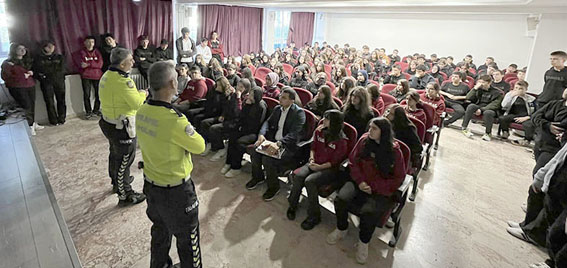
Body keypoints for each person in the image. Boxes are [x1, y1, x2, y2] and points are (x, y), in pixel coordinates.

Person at [136, 60, 205, 268]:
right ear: (173, 84)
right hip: (177, 192)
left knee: (160, 232)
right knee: (188, 240)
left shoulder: (142, 110)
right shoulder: (175, 120)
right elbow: (200, 146)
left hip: (152, 186)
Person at [326, 118, 406, 264]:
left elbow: (399, 177)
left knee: (368, 213)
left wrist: (374, 187)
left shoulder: (394, 150)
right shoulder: (364, 140)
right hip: (359, 182)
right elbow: (353, 161)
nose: (370, 130)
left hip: (380, 189)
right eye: (370, 127)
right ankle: (341, 228)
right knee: (341, 199)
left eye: (374, 128)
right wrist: (361, 181)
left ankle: (364, 243)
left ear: (384, 132)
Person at [98, 47, 147, 205]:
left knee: (115, 155)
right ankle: (125, 194)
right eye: (130, 60)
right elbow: (136, 103)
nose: (133, 62)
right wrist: (143, 93)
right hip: (121, 127)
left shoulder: (107, 75)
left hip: (108, 122)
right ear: (121, 64)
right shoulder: (123, 81)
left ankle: (117, 182)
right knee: (124, 160)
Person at [287, 109, 349, 230]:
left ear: (334, 122)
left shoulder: (342, 141)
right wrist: (311, 160)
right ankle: (293, 205)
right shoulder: (319, 131)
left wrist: (319, 167)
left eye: (327, 119)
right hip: (314, 162)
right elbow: (313, 147)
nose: (323, 120)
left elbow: (334, 162)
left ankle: (314, 215)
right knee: (299, 176)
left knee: (310, 181)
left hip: (329, 169)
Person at [246, 88, 306, 201]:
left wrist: (280, 143)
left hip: (286, 146)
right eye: (280, 96)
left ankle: (273, 187)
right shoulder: (278, 109)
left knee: (268, 159)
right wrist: (262, 134)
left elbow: (295, 134)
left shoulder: (299, 113)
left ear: (292, 101)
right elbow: (267, 122)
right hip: (273, 141)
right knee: (255, 150)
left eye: (284, 98)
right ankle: (258, 177)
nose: (280, 99)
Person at [222, 86, 267, 178]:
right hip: (245, 128)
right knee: (233, 136)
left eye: (251, 94)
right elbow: (241, 116)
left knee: (239, 142)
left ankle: (236, 167)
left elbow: (257, 124)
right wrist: (246, 105)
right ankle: (229, 162)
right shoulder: (248, 103)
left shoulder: (261, 106)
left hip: (254, 133)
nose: (249, 96)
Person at [1, 43, 42, 134]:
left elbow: (34, 72)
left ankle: (33, 123)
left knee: (32, 105)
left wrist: (32, 73)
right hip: (17, 88)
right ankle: (29, 126)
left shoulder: (26, 61)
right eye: (20, 49)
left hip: (30, 85)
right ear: (14, 50)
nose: (23, 50)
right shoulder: (8, 63)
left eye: (24, 48)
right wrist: (22, 76)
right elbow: (5, 76)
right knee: (26, 106)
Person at [193, 77, 231, 156]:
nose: (217, 87)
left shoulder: (228, 95)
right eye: (217, 85)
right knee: (197, 117)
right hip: (211, 112)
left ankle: (210, 143)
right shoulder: (214, 91)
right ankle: (202, 140)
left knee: (205, 123)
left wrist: (223, 115)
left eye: (219, 86)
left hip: (221, 115)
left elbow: (226, 108)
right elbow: (209, 102)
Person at [33, 40, 67, 125]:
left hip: (59, 81)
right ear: (44, 47)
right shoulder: (38, 58)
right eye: (48, 46)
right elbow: (37, 71)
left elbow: (62, 69)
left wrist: (49, 72)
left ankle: (62, 118)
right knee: (49, 102)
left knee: (61, 100)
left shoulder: (59, 57)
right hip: (46, 82)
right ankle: (53, 120)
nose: (51, 48)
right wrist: (45, 75)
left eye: (52, 46)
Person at [461, 74, 503, 141]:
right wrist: (474, 89)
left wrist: (481, 110)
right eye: (479, 82)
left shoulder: (497, 92)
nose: (481, 84)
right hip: (479, 106)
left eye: (483, 82)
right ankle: (464, 127)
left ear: (489, 83)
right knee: (471, 106)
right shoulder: (478, 89)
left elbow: (495, 105)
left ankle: (488, 133)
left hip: (490, 109)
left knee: (488, 112)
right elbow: (468, 97)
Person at [75, 35, 103, 119]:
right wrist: (93, 64)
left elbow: (100, 64)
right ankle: (88, 111)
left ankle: (96, 110)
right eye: (88, 42)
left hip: (97, 76)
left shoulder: (97, 52)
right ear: (84, 43)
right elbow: (81, 64)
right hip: (86, 76)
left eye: (92, 42)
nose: (90, 44)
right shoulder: (81, 52)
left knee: (99, 94)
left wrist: (89, 64)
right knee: (87, 94)